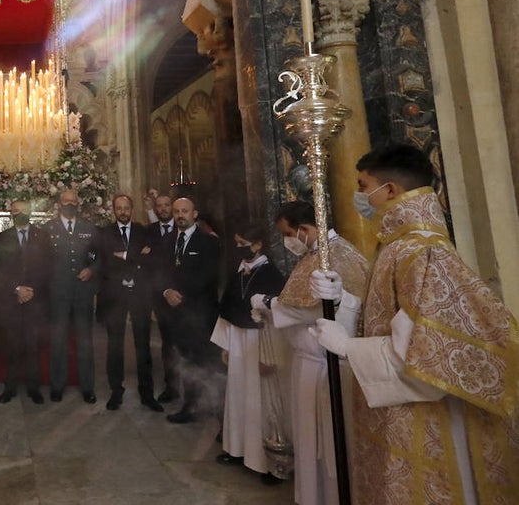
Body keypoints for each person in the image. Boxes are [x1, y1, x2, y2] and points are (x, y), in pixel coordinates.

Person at [312, 144, 519, 505]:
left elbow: (424, 355)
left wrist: (347, 347)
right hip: (404, 412)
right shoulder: (402, 245)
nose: (359, 196)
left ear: (389, 190)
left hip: (427, 418)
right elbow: (389, 315)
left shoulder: (419, 251)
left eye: (363, 186)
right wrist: (344, 299)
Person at [255, 199, 368, 505]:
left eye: (287, 234)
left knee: (324, 441)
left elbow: (309, 308)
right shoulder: (319, 254)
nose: (287, 242)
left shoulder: (335, 256)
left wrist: (267, 304)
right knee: (310, 439)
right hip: (311, 360)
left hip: (325, 363)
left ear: (304, 230)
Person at [210, 225, 286, 484]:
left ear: (258, 245)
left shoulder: (272, 275)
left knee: (261, 403)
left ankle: (269, 462)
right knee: (238, 397)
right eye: (237, 241)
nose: (239, 246)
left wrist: (271, 355)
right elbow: (228, 307)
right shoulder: (239, 271)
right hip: (238, 341)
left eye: (244, 241)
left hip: (260, 343)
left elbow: (278, 319)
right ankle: (238, 450)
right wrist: (225, 344)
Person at [158, 196, 221, 423]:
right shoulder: (166, 242)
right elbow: (159, 273)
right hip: (175, 315)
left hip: (200, 313)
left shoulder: (209, 242)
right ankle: (190, 406)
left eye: (185, 211)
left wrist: (181, 296)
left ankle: (216, 406)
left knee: (205, 359)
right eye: (176, 212)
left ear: (194, 214)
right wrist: (166, 291)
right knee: (185, 360)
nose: (180, 215)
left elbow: (208, 276)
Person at [96, 193, 158, 411]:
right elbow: (104, 261)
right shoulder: (105, 232)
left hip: (140, 294)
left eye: (126, 208)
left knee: (143, 345)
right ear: (114, 210)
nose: (122, 211)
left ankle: (147, 393)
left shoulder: (143, 231)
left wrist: (123, 255)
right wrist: (136, 255)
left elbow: (150, 258)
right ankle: (116, 391)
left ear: (132, 209)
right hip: (115, 295)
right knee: (115, 345)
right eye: (119, 208)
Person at [0, 200, 51, 405]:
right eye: (16, 211)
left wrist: (31, 290)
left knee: (33, 346)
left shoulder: (42, 237)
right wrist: (17, 289)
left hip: (36, 300)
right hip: (11, 301)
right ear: (11, 214)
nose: (20, 214)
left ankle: (33, 388)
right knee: (13, 346)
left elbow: (48, 267)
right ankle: (10, 387)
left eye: (24, 211)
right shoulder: (2, 238)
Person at [45, 189, 99, 403]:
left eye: (72, 201)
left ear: (78, 203)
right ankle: (57, 385)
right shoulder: (48, 229)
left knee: (85, 341)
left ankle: (87, 387)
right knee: (58, 341)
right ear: (59, 203)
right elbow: (43, 261)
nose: (69, 204)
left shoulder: (88, 228)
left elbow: (95, 255)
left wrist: (91, 269)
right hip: (58, 294)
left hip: (82, 293)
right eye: (65, 201)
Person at [143, 188, 180, 402]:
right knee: (167, 341)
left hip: (183, 295)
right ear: (155, 209)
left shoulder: (185, 227)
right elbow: (147, 260)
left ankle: (194, 385)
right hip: (161, 294)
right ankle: (172, 385)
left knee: (186, 340)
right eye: (160, 206)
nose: (164, 209)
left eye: (167, 205)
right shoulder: (150, 231)